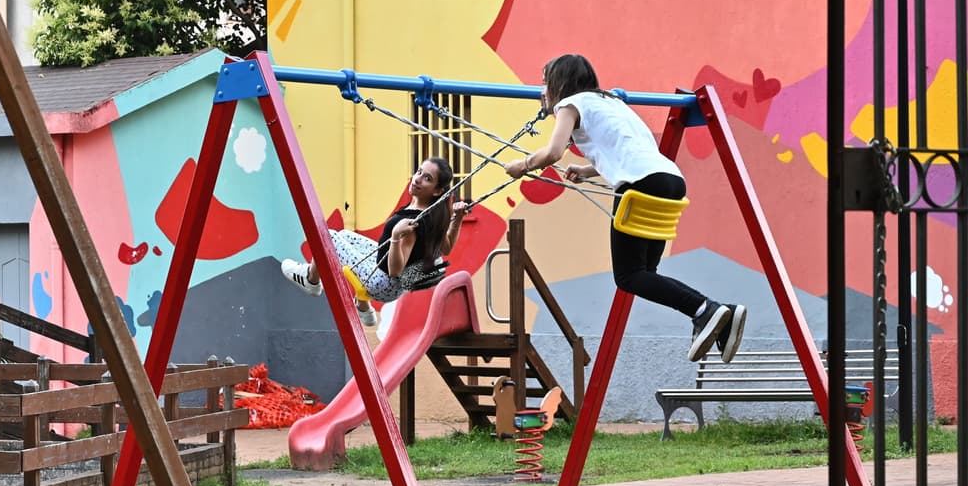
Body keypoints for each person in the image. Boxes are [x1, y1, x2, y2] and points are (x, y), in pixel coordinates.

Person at [504, 53, 746, 363]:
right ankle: (720, 314)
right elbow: (628, 147)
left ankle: (705, 309)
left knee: (629, 276)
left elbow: (553, 152)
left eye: (544, 82)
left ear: (558, 83)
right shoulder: (613, 102)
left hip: (640, 183)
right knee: (645, 274)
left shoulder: (569, 105)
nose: (542, 90)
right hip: (671, 180)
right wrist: (587, 169)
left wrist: (523, 165)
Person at [281, 156, 470, 326]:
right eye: (419, 171)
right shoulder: (431, 213)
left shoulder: (413, 223)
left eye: (427, 178)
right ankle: (362, 305)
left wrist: (395, 236)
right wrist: (458, 218)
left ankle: (311, 279)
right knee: (345, 236)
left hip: (382, 283)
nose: (418, 179)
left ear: (437, 191)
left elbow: (395, 271)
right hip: (387, 279)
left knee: (328, 237)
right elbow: (446, 248)